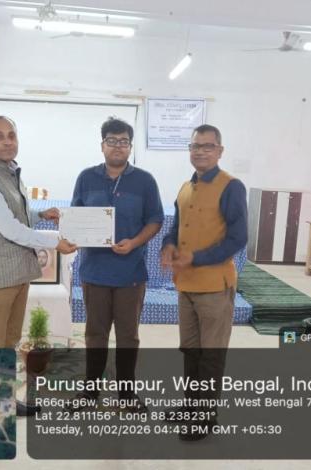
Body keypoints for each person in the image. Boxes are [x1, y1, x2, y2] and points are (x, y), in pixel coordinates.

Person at [0, 115, 77, 415]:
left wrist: (41, 215)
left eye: (11, 135)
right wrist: (54, 242)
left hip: (17, 271)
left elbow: (16, 214)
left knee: (10, 340)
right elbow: (9, 228)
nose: (7, 142)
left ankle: (1, 401)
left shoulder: (9, 171)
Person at [69, 117, 164, 412]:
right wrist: (73, 235)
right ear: (102, 145)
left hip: (130, 273)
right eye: (112, 141)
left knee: (128, 337)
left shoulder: (145, 181)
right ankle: (90, 394)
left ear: (130, 147)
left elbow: (155, 220)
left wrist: (134, 243)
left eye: (123, 141)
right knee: (95, 334)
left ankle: (126, 395)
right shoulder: (86, 178)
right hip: (95, 272)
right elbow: (75, 217)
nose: (118, 146)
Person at [161, 124, 248, 440]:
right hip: (185, 285)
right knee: (190, 351)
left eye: (208, 146)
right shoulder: (186, 187)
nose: (200, 151)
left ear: (219, 151)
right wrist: (168, 245)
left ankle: (205, 418)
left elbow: (238, 238)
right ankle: (191, 408)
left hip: (214, 286)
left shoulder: (231, 187)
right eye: (195, 146)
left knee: (211, 355)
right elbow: (175, 227)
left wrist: (195, 258)